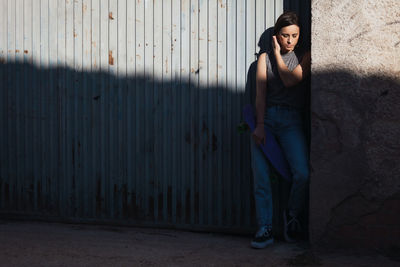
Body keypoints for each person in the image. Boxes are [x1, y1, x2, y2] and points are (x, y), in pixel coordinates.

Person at [250, 11, 311, 249]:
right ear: (277, 35)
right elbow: (261, 94)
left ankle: (292, 215)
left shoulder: (305, 56)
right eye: (285, 35)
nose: (289, 41)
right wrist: (260, 125)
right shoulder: (263, 59)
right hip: (266, 119)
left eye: (294, 35)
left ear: (299, 36)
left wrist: (278, 55)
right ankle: (264, 228)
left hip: (291, 122)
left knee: (303, 173)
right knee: (261, 177)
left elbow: (290, 81)